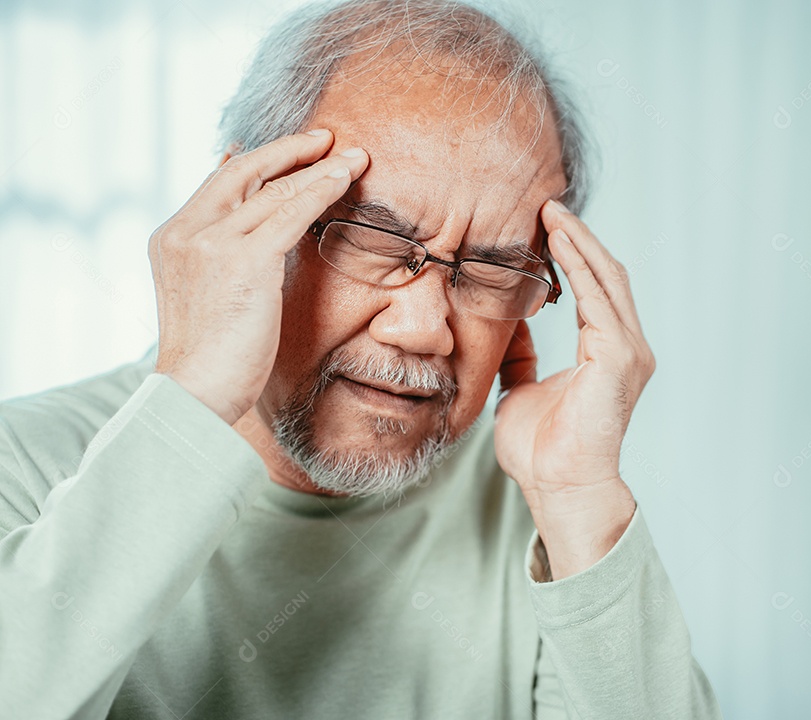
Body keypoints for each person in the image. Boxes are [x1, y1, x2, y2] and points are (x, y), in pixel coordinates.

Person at [0, 1, 722, 717]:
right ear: (240, 215)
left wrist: (579, 502)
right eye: (369, 237)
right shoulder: (22, 466)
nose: (423, 329)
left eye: (491, 269)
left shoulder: (543, 517)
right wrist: (190, 400)